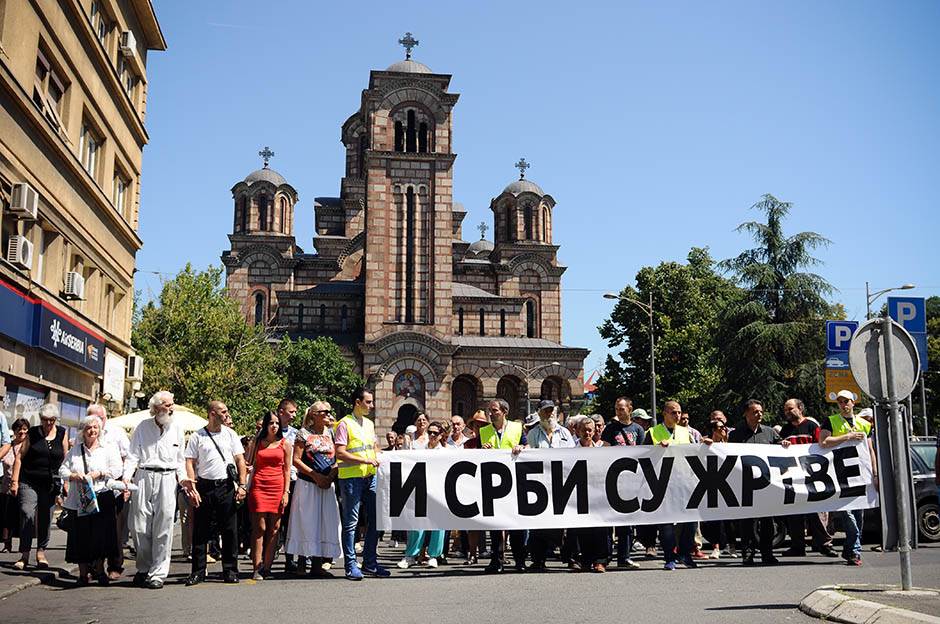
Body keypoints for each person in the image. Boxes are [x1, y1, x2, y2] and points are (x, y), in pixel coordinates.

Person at [123, 391, 190, 589]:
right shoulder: (142, 427)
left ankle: (158, 573)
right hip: (144, 476)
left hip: (168, 478)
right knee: (139, 525)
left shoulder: (177, 428)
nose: (171, 408)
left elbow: (180, 460)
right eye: (168, 405)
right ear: (157, 407)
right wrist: (127, 477)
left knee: (164, 525)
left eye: (172, 404)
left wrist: (184, 479)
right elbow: (133, 455)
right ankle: (144, 567)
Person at [183, 401, 247, 586]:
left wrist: (242, 485)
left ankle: (230, 570)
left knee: (229, 530)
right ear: (212, 413)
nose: (227, 414)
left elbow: (240, 459)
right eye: (223, 411)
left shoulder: (230, 434)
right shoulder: (198, 436)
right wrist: (192, 485)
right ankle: (198, 571)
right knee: (201, 530)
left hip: (225, 486)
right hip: (204, 486)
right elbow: (190, 461)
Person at [59, 415, 123, 585]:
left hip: (102, 496)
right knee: (80, 538)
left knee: (100, 537)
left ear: (100, 430)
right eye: (88, 428)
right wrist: (73, 476)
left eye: (95, 427)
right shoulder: (75, 450)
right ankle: (82, 574)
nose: (92, 431)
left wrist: (100, 473)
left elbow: (117, 469)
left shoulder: (107, 448)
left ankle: (100, 571)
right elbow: (62, 470)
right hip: (80, 499)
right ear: (83, 431)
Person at [335, 387, 390, 580]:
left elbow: (373, 446)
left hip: (370, 477)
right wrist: (365, 461)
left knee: (376, 520)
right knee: (352, 523)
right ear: (357, 402)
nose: (372, 405)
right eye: (368, 402)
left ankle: (370, 563)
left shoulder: (369, 424)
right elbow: (340, 452)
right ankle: (351, 565)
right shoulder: (344, 424)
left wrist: (384, 456)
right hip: (351, 478)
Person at [728, 399, 790, 566]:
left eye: (761, 411)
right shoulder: (735, 435)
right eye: (755, 412)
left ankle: (767, 553)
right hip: (746, 485)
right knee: (747, 522)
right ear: (746, 414)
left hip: (767, 485)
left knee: (768, 522)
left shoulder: (770, 433)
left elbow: (781, 454)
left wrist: (783, 444)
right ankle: (747, 554)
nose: (759, 414)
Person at [819, 390, 877, 566]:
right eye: (840, 402)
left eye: (847, 401)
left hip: (860, 475)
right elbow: (823, 442)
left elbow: (870, 450)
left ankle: (849, 548)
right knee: (848, 514)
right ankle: (855, 551)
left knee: (858, 515)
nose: (844, 405)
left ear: (853, 403)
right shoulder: (831, 420)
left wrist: (875, 473)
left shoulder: (864, 424)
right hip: (839, 475)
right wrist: (848, 436)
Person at [9, 403, 69, 570]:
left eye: (52, 420)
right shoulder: (33, 433)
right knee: (27, 513)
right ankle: (25, 554)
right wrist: (14, 481)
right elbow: (19, 457)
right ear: (41, 419)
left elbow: (66, 460)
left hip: (50, 484)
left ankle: (41, 552)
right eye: (45, 420)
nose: (48, 423)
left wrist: (66, 483)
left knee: (45, 518)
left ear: (56, 420)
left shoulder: (62, 433)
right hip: (29, 481)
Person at [285, 401, 341, 578]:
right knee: (306, 521)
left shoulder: (331, 433)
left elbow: (338, 456)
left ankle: (318, 564)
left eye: (329, 412)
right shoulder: (303, 433)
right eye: (324, 412)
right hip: (308, 484)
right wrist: (315, 476)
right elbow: (296, 460)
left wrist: (330, 476)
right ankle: (302, 561)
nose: (328, 414)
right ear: (314, 414)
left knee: (325, 522)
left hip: (327, 484)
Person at [779, 398, 837, 558]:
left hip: (813, 477)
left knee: (817, 512)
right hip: (794, 478)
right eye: (785, 410)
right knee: (794, 513)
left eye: (790, 409)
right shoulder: (785, 430)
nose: (787, 412)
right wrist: (782, 445)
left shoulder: (812, 426)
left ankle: (824, 544)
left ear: (800, 408)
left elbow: (821, 445)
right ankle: (798, 546)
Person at [644, 400, 697, 570]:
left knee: (690, 520)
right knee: (666, 522)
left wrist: (706, 444)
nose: (678, 416)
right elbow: (644, 457)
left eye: (679, 412)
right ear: (664, 414)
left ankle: (684, 554)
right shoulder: (652, 432)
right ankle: (669, 557)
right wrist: (657, 449)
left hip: (683, 483)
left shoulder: (686, 433)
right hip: (662, 483)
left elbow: (695, 453)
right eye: (673, 412)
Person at [525, 400, 575, 571]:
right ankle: (539, 559)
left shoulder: (565, 433)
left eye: (551, 410)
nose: (549, 414)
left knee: (568, 524)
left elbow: (573, 457)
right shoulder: (533, 434)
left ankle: (571, 558)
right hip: (541, 485)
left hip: (563, 484)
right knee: (540, 523)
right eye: (545, 411)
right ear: (539, 413)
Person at [480, 398, 527, 573]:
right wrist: (482, 450)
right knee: (495, 526)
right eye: (489, 411)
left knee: (516, 525)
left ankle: (520, 560)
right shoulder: (484, 431)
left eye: (494, 411)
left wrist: (522, 447)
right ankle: (496, 560)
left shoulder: (516, 427)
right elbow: (477, 456)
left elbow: (527, 445)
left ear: (504, 412)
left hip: (515, 482)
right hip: (493, 484)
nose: (490, 414)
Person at [599, 397, 644, 570]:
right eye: (617, 408)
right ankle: (606, 556)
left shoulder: (638, 429)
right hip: (613, 478)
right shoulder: (610, 429)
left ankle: (624, 557)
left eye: (622, 408)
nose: (619, 411)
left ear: (630, 409)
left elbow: (642, 453)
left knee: (627, 521)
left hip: (631, 480)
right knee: (610, 520)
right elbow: (605, 450)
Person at [87, 404, 130, 580]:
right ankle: (95, 566)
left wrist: (127, 482)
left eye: (99, 419)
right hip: (91, 489)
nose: (95, 423)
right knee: (93, 529)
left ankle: (115, 565)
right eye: (92, 419)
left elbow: (129, 456)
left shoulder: (117, 433)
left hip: (114, 486)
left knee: (115, 528)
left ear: (105, 418)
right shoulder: (85, 432)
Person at [398, 421, 448, 569]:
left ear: (441, 435)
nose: (432, 435)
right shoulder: (419, 449)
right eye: (430, 432)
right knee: (416, 524)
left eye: (435, 433)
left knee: (439, 525)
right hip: (420, 490)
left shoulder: (446, 452)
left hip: (439, 492)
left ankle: (434, 556)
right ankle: (410, 555)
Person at [248, 410, 291, 579]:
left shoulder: (285, 443)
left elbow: (287, 470)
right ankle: (256, 567)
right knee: (260, 527)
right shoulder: (257, 442)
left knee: (274, 528)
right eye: (271, 423)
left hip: (278, 487)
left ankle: (267, 566)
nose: (274, 426)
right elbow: (248, 463)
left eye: (277, 423)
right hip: (259, 486)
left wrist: (286, 492)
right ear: (265, 425)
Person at [570, 417, 609, 572]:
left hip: (598, 494)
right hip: (578, 495)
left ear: (594, 432)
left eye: (590, 430)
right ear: (578, 431)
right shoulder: (569, 451)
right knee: (581, 528)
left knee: (600, 528)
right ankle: (584, 560)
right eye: (584, 430)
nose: (587, 433)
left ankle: (600, 561)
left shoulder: (602, 451)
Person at [274, 399, 302, 574]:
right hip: (273, 481)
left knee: (291, 521)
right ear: (281, 412)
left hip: (292, 480)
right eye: (291, 412)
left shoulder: (296, 434)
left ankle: (290, 558)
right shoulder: (271, 431)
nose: (294, 415)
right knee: (274, 522)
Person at [1, 418, 28, 552]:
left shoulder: (28, 447)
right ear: (14, 431)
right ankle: (7, 544)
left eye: (24, 429)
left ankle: (24, 547)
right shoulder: (8, 446)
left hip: (22, 486)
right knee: (6, 517)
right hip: (5, 486)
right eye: (19, 429)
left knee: (21, 516)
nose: (22, 432)